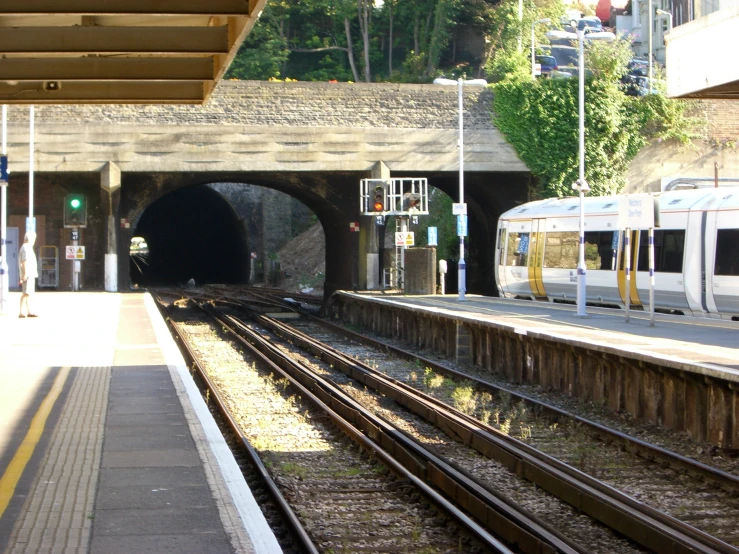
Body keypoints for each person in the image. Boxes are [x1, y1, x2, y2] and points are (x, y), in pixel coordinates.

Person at [19, 231, 39, 318]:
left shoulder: (27, 247)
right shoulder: (26, 248)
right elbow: (24, 262)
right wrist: (25, 274)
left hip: (30, 274)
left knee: (29, 293)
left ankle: (29, 311)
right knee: (26, 293)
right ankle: (21, 312)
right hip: (28, 274)